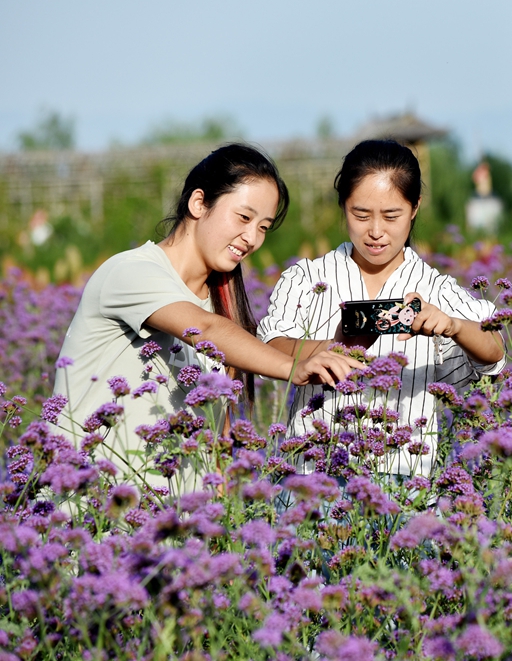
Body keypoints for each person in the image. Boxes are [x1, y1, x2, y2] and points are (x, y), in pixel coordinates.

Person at [53, 143, 364, 492]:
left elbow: (221, 430)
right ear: (198, 203)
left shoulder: (222, 307)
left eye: (263, 227)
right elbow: (202, 328)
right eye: (244, 218)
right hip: (93, 507)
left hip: (174, 522)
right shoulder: (131, 273)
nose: (252, 238)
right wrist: (295, 371)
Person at [257, 139, 506, 478]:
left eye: (391, 216)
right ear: (343, 204)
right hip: (313, 475)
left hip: (405, 480)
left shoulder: (434, 286)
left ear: (415, 208)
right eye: (361, 215)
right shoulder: (308, 278)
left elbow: (494, 352)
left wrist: (452, 326)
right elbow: (271, 347)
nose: (375, 232)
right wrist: (332, 349)